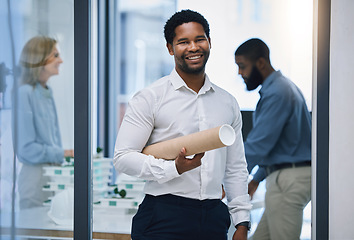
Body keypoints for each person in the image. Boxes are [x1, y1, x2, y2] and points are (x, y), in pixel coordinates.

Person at [114, 9, 251, 240]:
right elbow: (123, 157)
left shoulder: (227, 102)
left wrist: (242, 222)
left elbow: (235, 167)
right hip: (163, 217)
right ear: (170, 48)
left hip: (214, 217)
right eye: (183, 42)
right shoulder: (150, 98)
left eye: (199, 39)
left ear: (209, 42)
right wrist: (173, 168)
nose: (193, 47)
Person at [234, 38, 311, 240]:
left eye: (242, 66)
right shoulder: (282, 88)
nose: (240, 73)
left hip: (288, 181)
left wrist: (231, 179)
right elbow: (278, 145)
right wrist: (256, 179)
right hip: (286, 177)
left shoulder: (278, 92)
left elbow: (259, 145)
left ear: (260, 63)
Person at [15, 36, 74, 209]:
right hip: (35, 182)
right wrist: (63, 153)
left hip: (50, 178)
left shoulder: (46, 91)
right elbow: (25, 149)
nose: (60, 60)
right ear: (39, 58)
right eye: (55, 55)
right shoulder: (24, 93)